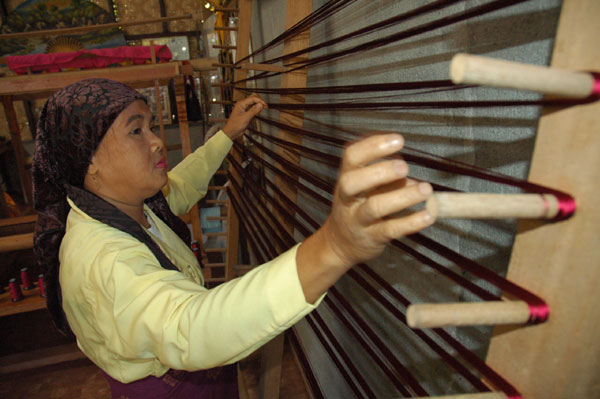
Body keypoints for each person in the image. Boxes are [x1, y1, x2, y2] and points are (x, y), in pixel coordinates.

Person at [32, 78, 434, 398]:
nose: (156, 140)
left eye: (151, 125)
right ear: (89, 163)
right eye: (136, 131)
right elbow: (190, 327)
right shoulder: (103, 260)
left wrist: (226, 134)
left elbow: (183, 184)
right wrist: (332, 247)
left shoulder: (134, 204)